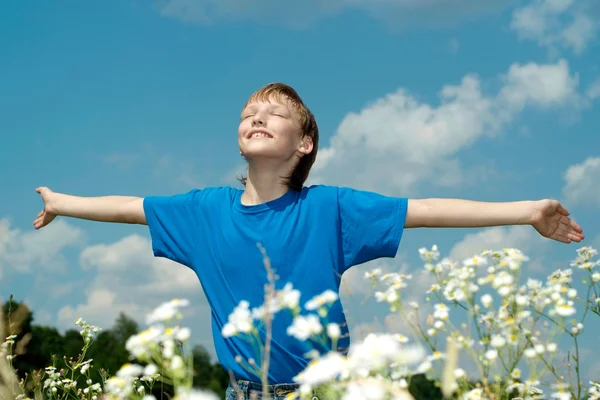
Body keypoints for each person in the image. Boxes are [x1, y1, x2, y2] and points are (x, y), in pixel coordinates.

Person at [33, 83, 584, 400]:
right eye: (249, 112)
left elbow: (425, 209)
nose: (256, 115)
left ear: (305, 143)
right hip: (243, 392)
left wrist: (526, 211)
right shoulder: (204, 212)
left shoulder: (328, 208)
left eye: (274, 113)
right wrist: (62, 202)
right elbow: (131, 208)